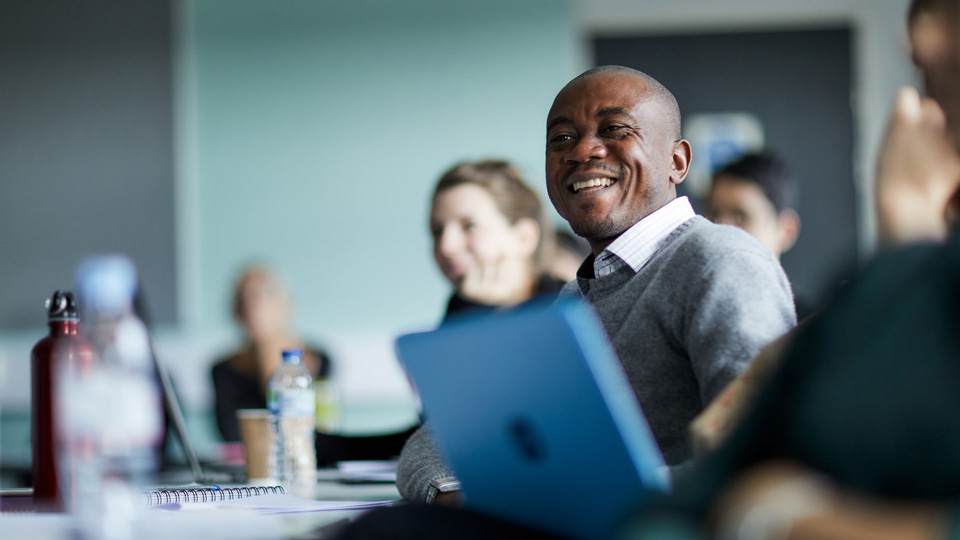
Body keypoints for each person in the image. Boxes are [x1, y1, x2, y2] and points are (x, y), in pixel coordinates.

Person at [619, 1, 960, 538]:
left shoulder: (741, 272)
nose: (921, 46)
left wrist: (779, 516)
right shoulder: (878, 293)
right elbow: (719, 475)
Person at [397, 159, 567, 504]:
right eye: (437, 230)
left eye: (468, 226)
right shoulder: (460, 314)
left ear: (524, 236)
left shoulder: (569, 311)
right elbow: (442, 433)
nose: (446, 246)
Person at [210, 264, 331, 443]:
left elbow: (322, 429)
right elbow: (232, 435)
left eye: (265, 295)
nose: (255, 307)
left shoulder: (319, 360)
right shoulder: (223, 370)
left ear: (285, 304)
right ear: (237, 310)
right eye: (246, 300)